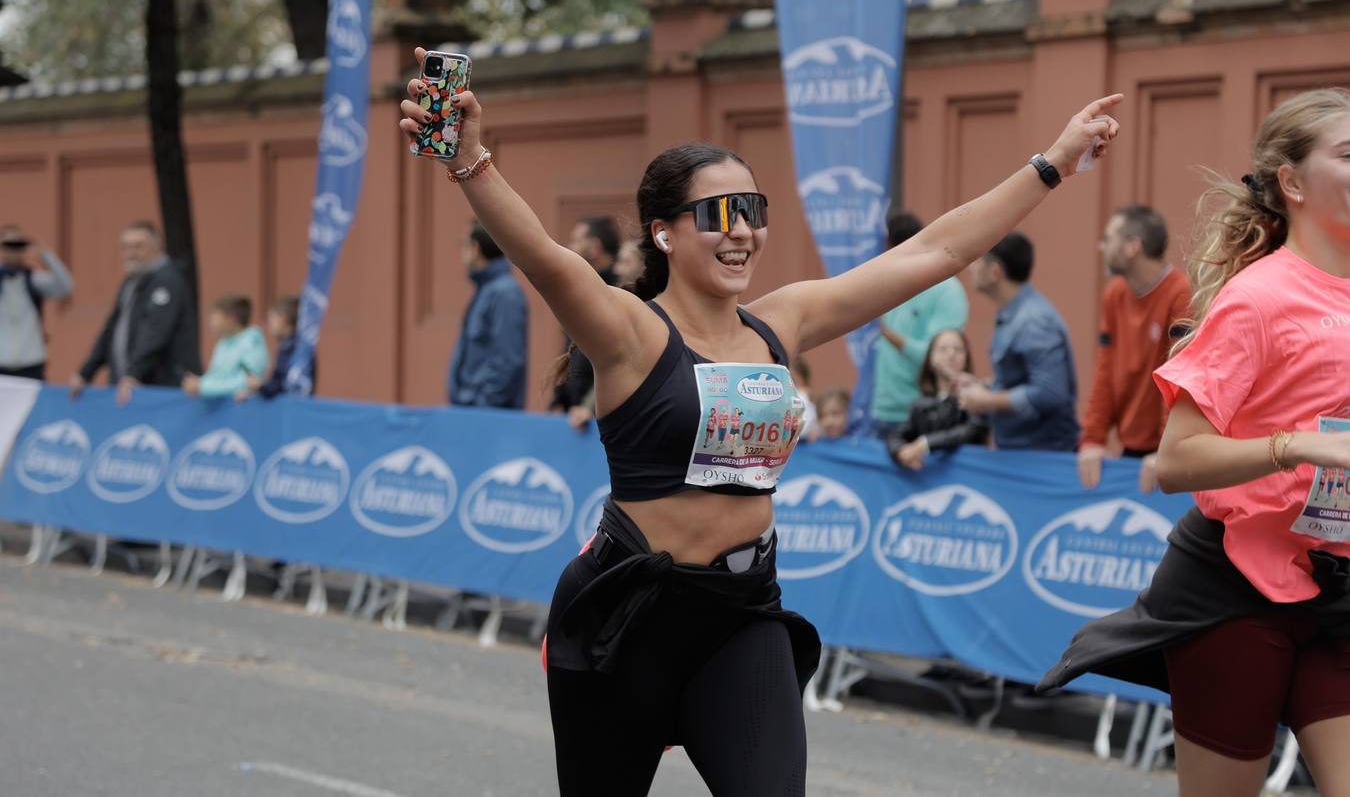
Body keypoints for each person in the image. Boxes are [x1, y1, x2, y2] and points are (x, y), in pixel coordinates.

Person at [398, 45, 1120, 795]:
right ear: (664, 233)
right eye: (717, 214)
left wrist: (1054, 164)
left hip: (742, 618)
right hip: (629, 617)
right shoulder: (628, 332)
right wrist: (469, 158)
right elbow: (548, 260)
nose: (742, 231)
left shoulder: (782, 322)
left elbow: (934, 250)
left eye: (752, 211)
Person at [1040, 88, 1350, 797]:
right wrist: (1297, 446)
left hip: (1335, 587)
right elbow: (1176, 460)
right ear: (1293, 183)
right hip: (1234, 590)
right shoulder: (1258, 297)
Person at [1077, 206, 1191, 493]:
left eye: (1109, 238)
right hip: (1132, 448)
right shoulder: (1114, 294)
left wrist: (1169, 450)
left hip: (1168, 451)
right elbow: (1105, 371)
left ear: (1132, 246)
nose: (1101, 246)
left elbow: (1182, 376)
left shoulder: (1180, 293)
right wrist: (1093, 440)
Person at [957, 232, 1080, 451]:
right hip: (1022, 452)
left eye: (978, 260)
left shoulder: (1033, 321)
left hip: (1043, 457)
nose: (971, 267)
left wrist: (986, 401)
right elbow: (1019, 380)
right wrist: (985, 387)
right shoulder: (1014, 313)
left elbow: (1049, 394)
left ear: (995, 272)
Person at [71, 220, 200, 405]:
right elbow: (110, 329)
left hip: (160, 390)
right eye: (125, 247)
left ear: (157, 247)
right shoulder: (131, 283)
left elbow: (155, 333)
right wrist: (86, 373)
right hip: (129, 388)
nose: (130, 253)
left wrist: (133, 374)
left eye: (138, 247)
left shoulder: (168, 281)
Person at [870, 212, 969, 440]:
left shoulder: (947, 291)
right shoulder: (889, 282)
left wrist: (890, 335)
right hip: (880, 411)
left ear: (893, 246)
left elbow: (939, 357)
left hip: (924, 413)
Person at [447, 220, 528, 409]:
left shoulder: (505, 293)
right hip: (471, 412)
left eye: (463, 243)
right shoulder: (486, 290)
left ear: (475, 248)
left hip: (486, 416)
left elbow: (508, 361)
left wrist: (484, 405)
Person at [552, 216, 622, 428]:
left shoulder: (619, 294)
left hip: (599, 420)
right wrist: (559, 399)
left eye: (576, 241)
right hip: (573, 414)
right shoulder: (580, 290)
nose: (569, 248)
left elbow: (618, 360)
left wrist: (588, 406)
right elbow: (572, 351)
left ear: (594, 246)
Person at [888, 329, 989, 471]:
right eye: (943, 349)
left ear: (967, 357)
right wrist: (900, 452)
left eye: (958, 349)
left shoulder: (977, 396)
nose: (951, 354)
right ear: (930, 358)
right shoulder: (920, 404)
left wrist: (925, 444)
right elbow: (896, 436)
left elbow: (973, 430)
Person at [0, 224, 74, 380]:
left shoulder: (33, 279)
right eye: (9, 245)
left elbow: (66, 286)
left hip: (31, 365)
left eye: (19, 245)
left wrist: (46, 255)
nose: (14, 251)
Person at [181, 294, 269, 400]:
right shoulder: (223, 342)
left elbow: (249, 381)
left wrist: (202, 386)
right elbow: (215, 375)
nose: (210, 323)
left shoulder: (251, 343)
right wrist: (199, 382)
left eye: (215, 317)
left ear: (231, 318)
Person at [248, 294, 315, 400]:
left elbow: (281, 385)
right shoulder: (287, 345)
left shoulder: (294, 347)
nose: (269, 323)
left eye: (272, 317)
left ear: (283, 319)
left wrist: (260, 386)